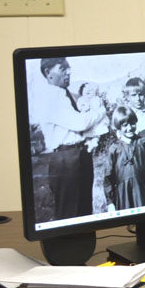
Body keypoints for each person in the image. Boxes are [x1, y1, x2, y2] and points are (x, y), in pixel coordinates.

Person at [35, 57, 106, 220]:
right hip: (66, 159)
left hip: (77, 156)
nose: (69, 72)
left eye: (69, 68)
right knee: (70, 213)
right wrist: (100, 111)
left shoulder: (63, 94)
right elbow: (80, 123)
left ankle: (86, 245)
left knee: (84, 211)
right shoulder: (51, 97)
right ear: (48, 73)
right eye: (62, 68)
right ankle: (68, 245)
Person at [104, 106, 145, 211]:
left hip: (144, 192)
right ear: (118, 126)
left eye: (132, 123)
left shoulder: (143, 143)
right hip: (124, 194)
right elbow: (107, 177)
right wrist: (110, 201)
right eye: (125, 125)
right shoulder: (114, 149)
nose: (129, 128)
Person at [76, 82, 109, 153]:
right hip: (87, 121)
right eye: (85, 90)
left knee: (96, 134)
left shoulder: (96, 99)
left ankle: (95, 144)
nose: (88, 91)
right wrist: (84, 108)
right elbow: (79, 107)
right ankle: (89, 145)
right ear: (81, 92)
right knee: (87, 135)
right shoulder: (81, 100)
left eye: (90, 90)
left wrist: (93, 105)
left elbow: (99, 107)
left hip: (97, 121)